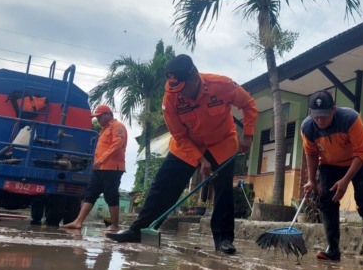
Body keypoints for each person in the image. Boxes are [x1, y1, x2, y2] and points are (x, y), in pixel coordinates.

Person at [106, 54, 257, 255]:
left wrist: (247, 136)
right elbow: (178, 134)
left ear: (194, 77)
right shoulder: (171, 97)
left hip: (221, 144)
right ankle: (138, 230)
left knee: (223, 191)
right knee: (162, 185)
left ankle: (224, 240)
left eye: (183, 87)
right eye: (176, 88)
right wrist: (200, 159)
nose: (181, 93)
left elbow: (249, 105)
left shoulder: (222, 84)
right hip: (187, 145)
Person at [301, 90, 363, 262]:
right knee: (326, 200)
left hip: (360, 160)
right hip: (331, 163)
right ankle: (332, 248)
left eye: (324, 116)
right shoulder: (307, 128)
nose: (320, 121)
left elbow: (361, 152)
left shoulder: (350, 119)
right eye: (316, 116)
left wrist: (345, 180)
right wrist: (310, 180)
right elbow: (311, 153)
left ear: (333, 110)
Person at [61, 104, 127, 232]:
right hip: (99, 168)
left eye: (99, 117)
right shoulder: (104, 129)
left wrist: (102, 160)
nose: (98, 120)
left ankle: (114, 226)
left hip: (112, 168)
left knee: (111, 195)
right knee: (90, 194)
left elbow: (117, 145)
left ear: (108, 115)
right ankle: (78, 221)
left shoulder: (118, 126)